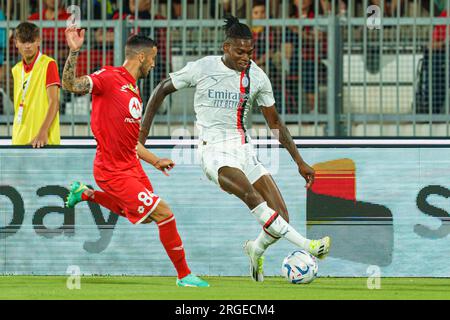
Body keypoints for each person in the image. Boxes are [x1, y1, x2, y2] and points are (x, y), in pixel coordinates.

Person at [139, 15, 331, 282]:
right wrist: (142, 135)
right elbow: (161, 89)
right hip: (214, 151)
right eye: (240, 51)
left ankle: (256, 249)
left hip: (244, 151)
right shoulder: (204, 67)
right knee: (252, 196)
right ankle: (307, 245)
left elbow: (275, 123)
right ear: (226, 48)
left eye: (250, 51)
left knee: (281, 217)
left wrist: (299, 161)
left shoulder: (257, 76)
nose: (246, 57)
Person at [61, 26, 209, 288]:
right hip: (111, 170)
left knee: (139, 214)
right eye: (153, 58)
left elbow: (131, 144)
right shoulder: (108, 77)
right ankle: (184, 275)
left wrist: (155, 160)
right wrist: (74, 51)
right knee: (164, 213)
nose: (154, 63)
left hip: (131, 166)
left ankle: (86, 194)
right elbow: (70, 84)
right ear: (141, 57)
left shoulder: (133, 90)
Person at [11, 22, 61, 147]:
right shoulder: (16, 70)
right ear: (16, 43)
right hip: (19, 140)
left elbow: (54, 102)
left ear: (38, 41)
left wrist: (43, 132)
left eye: (31, 41)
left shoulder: (49, 64)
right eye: (23, 42)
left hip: (43, 141)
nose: (27, 46)